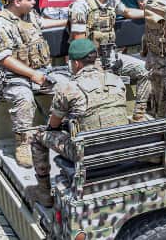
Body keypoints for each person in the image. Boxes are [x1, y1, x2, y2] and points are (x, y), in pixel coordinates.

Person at [28, 38, 128, 207]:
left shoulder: (69, 88)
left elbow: (53, 126)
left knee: (38, 136)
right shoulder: (117, 80)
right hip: (121, 146)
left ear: (76, 63)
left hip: (87, 153)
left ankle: (43, 191)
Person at [0, 0, 70, 167]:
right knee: (24, 98)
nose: (34, 2)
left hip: (39, 70)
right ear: (17, 2)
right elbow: (5, 59)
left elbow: (43, 23)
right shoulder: (0, 25)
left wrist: (67, 20)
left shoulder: (29, 14)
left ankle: (57, 130)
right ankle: (23, 143)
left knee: (67, 89)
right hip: (12, 76)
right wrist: (32, 74)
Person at [69, 0, 149, 119]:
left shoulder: (111, 0)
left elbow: (127, 12)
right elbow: (79, 45)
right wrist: (96, 67)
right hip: (89, 62)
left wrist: (150, 12)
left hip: (110, 57)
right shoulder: (81, 6)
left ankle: (138, 117)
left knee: (146, 71)